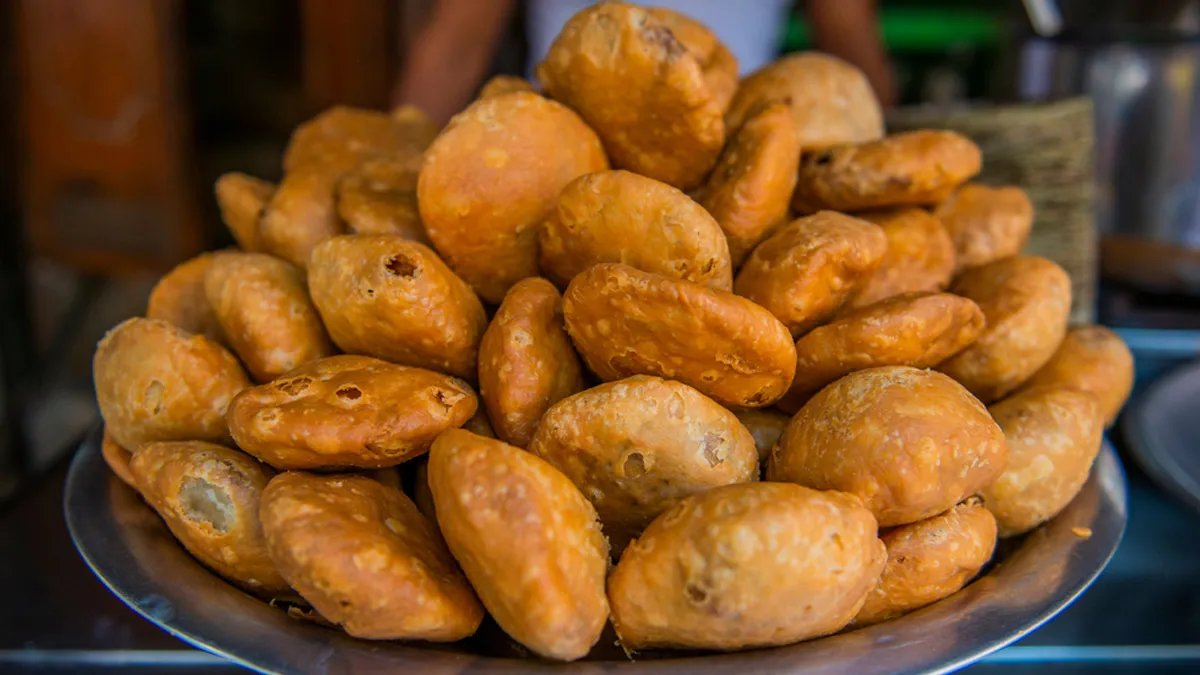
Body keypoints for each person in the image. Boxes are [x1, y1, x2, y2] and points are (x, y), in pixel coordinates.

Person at [393, 0, 895, 125]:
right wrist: (392, 151)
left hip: (736, 138)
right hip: (555, 148)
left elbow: (852, 43)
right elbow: (454, 47)